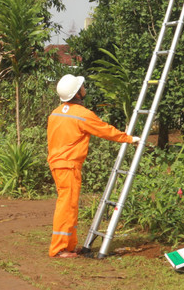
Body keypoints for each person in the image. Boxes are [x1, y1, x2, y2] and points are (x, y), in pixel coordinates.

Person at [47, 74, 140, 258]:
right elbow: (105, 130)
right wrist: (128, 138)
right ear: (77, 94)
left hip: (58, 163)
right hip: (69, 165)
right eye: (81, 86)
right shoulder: (82, 115)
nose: (84, 88)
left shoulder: (56, 113)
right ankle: (58, 249)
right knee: (66, 206)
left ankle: (69, 246)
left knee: (70, 205)